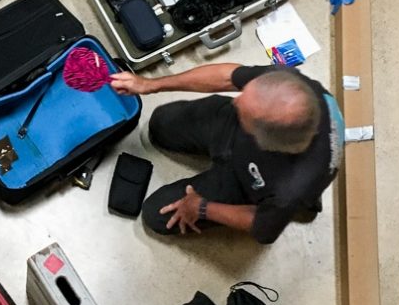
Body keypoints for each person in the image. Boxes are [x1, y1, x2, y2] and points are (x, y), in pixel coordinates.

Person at [110, 63, 345, 244]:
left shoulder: (292, 188)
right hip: (237, 130)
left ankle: (295, 206)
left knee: (156, 215)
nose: (236, 101)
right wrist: (150, 84)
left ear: (260, 140)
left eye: (244, 108)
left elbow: (262, 228)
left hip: (249, 181)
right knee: (161, 123)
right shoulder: (288, 85)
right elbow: (226, 76)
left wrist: (202, 208)